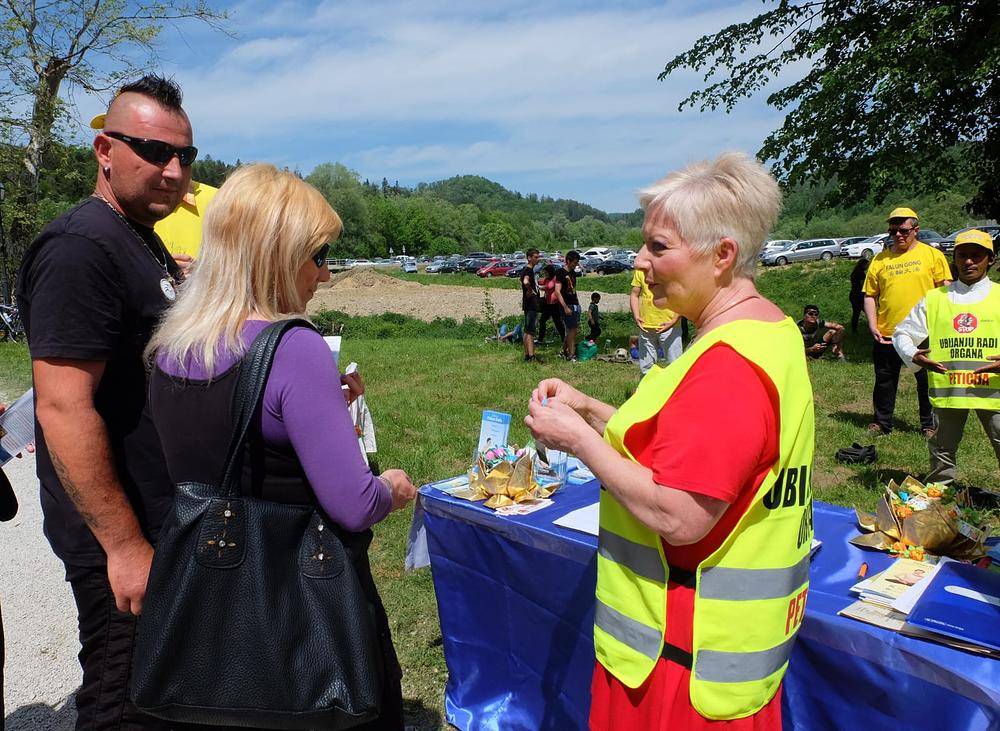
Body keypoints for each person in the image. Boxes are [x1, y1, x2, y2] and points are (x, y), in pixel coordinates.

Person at [526, 152, 814, 729]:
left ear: (722, 256)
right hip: (710, 663)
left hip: (679, 674)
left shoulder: (726, 368)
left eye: (658, 247)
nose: (640, 262)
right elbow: (690, 445)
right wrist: (592, 410)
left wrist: (582, 441)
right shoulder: (763, 332)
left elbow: (681, 514)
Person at [145, 163, 417, 729]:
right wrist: (390, 488)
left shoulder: (172, 345)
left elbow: (226, 446)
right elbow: (352, 503)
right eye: (318, 256)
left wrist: (318, 414)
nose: (324, 274)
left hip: (207, 608)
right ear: (276, 254)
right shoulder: (295, 349)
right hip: (294, 611)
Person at [16, 75, 193, 730]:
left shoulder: (137, 238)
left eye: (185, 156)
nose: (173, 170)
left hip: (161, 518)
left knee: (164, 693)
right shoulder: (79, 249)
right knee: (125, 700)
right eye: (152, 150)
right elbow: (62, 408)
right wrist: (122, 544)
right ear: (104, 149)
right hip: (121, 532)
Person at [892, 229, 1000, 484]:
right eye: (962, 256)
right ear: (955, 259)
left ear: (990, 260)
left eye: (976, 256)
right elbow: (902, 333)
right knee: (942, 450)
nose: (969, 262)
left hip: (994, 391)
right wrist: (914, 355)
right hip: (950, 390)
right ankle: (939, 498)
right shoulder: (935, 299)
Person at [864, 207, 951, 436]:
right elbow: (870, 295)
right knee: (885, 380)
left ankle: (929, 424)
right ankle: (882, 423)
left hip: (923, 332)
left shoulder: (932, 255)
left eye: (903, 230)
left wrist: (944, 324)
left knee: (926, 381)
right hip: (887, 331)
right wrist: (872, 324)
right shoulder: (880, 260)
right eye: (893, 231)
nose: (898, 235)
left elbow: (945, 291)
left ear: (916, 230)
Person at [630, 268, 682, 375]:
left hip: (670, 326)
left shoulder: (673, 268)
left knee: (675, 364)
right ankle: (647, 390)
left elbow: (681, 295)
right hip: (646, 326)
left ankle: (675, 391)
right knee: (646, 368)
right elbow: (634, 294)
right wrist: (636, 315)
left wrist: (674, 319)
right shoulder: (641, 271)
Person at [555, 250, 582, 360]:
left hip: (575, 304)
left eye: (577, 262)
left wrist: (578, 304)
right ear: (568, 261)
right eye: (574, 262)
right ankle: (571, 355)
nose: (576, 265)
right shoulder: (560, 272)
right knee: (572, 329)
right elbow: (557, 291)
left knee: (573, 330)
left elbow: (573, 290)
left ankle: (563, 352)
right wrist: (565, 307)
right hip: (566, 305)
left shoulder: (573, 273)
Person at [520, 248, 542, 362]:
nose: (537, 259)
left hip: (528, 304)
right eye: (535, 257)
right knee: (530, 331)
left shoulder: (527, 270)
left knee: (527, 330)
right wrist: (529, 290)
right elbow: (526, 281)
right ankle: (532, 356)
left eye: (538, 257)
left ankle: (527, 355)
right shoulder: (528, 270)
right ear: (529, 258)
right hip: (531, 304)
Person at [537, 264, 565, 346]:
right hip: (548, 305)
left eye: (546, 272)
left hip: (555, 305)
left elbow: (548, 287)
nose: (545, 274)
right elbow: (540, 281)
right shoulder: (546, 279)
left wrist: (539, 287)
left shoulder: (555, 279)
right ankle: (540, 339)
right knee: (542, 321)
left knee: (558, 323)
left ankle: (564, 339)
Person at [849, 258, 870, 333]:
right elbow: (863, 285)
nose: (867, 266)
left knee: (856, 313)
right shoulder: (860, 273)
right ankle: (873, 326)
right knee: (869, 312)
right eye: (867, 265)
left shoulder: (855, 272)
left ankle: (854, 329)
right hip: (859, 296)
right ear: (863, 265)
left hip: (854, 295)